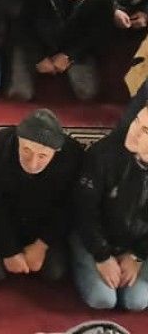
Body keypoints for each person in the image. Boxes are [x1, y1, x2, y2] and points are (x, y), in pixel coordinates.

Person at [0, 109, 84, 283]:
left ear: (56, 151)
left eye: (42, 156)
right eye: (26, 150)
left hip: (42, 227)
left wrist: (41, 245)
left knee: (54, 272)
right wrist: (9, 250)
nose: (33, 163)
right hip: (5, 224)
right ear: (18, 140)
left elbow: (68, 207)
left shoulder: (72, 157)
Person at [72, 104, 148, 311]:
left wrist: (137, 256)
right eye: (136, 122)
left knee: (137, 301)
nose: (134, 131)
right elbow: (84, 211)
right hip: (97, 238)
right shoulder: (103, 154)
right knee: (103, 299)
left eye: (145, 130)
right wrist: (102, 255)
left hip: (136, 243)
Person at [9, 0, 114, 102]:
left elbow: (99, 28)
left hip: (74, 40)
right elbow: (19, 22)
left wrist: (70, 54)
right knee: (20, 93)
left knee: (88, 93)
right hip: (35, 37)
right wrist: (38, 56)